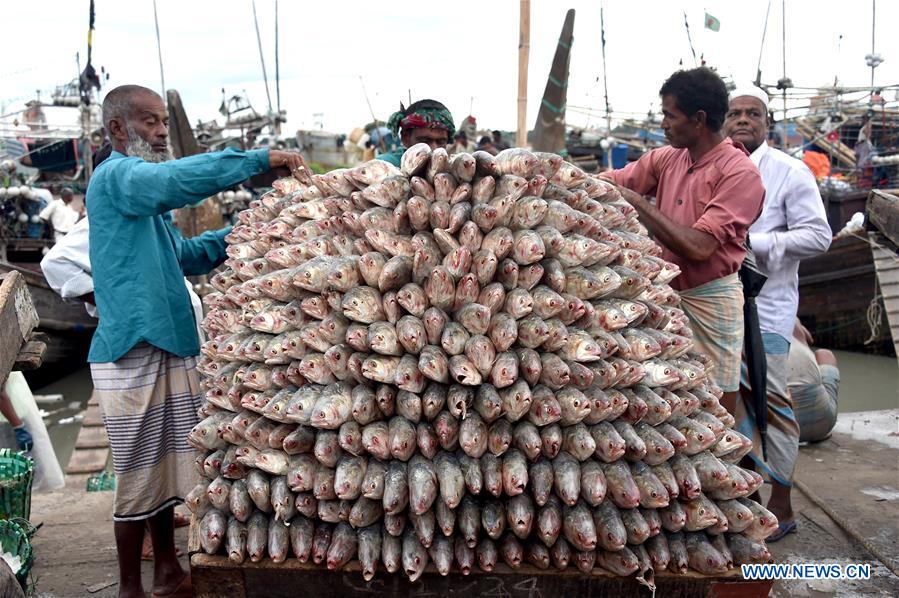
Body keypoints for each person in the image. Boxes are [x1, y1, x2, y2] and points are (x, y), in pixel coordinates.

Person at [85, 84, 305, 598]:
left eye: (163, 121)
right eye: (149, 122)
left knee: (166, 470)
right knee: (138, 474)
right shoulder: (118, 176)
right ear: (118, 129)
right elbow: (173, 182)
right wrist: (254, 160)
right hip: (132, 345)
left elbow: (182, 255)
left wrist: (247, 231)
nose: (162, 132)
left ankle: (166, 572)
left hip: (168, 340)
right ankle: (128, 589)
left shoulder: (141, 199)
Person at [601, 67, 766, 411]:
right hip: (664, 296)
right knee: (663, 399)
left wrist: (636, 203)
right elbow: (610, 181)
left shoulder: (740, 172)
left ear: (699, 119)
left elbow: (699, 247)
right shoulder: (668, 158)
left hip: (710, 298)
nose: (663, 124)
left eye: (669, 115)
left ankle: (726, 461)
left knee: (715, 402)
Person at [724, 86, 832, 542]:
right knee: (731, 408)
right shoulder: (713, 170)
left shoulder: (790, 172)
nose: (744, 120)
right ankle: (746, 498)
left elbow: (818, 236)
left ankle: (782, 504)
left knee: (774, 408)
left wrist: (758, 245)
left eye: (753, 114)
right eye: (735, 114)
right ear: (722, 121)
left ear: (768, 123)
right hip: (718, 308)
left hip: (768, 310)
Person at [789, 320, 840, 443]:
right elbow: (810, 339)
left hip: (778, 430)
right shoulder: (791, 319)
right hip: (823, 425)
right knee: (824, 354)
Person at [377, 99, 455, 166]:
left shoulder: (452, 169)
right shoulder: (384, 166)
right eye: (424, 141)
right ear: (405, 138)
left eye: (441, 142)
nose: (433, 149)